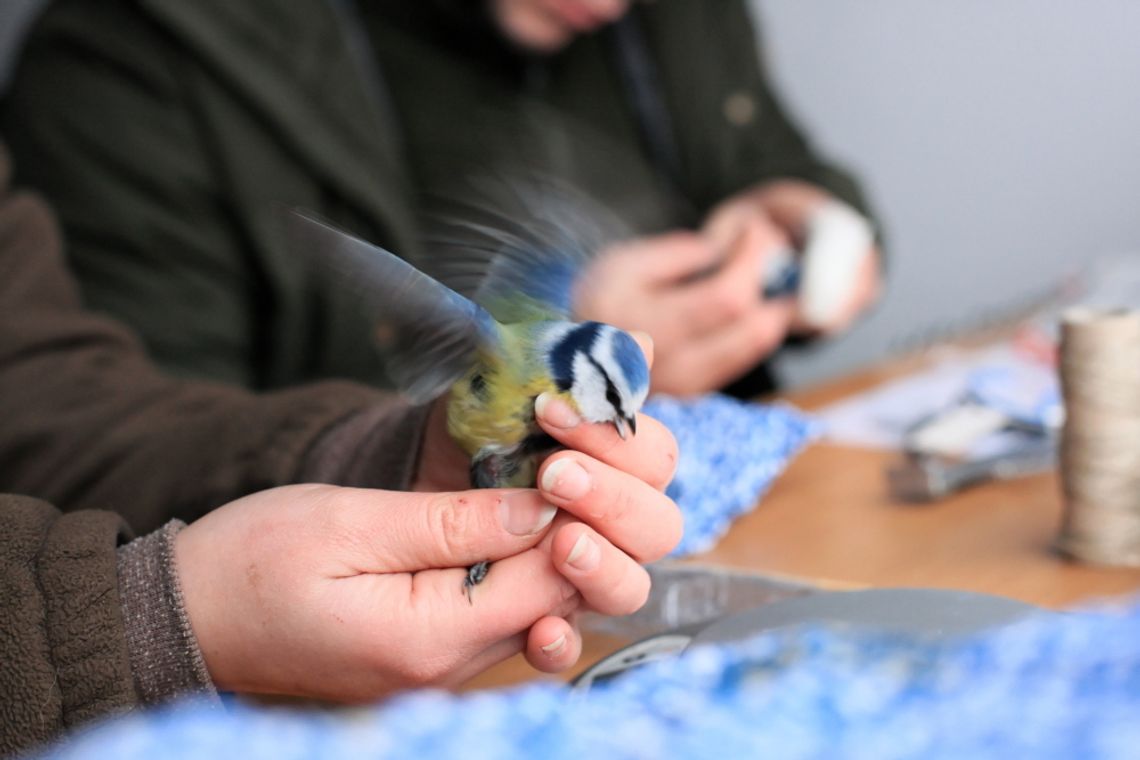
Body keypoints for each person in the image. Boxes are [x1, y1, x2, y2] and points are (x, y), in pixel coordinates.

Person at [0, 144, 683, 755]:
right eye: (612, 403)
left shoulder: (567, 358)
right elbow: (417, 296)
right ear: (579, 369)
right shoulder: (509, 350)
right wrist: (148, 614)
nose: (619, 421)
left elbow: (42, 397)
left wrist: (381, 460)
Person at [1, 0, 881, 399]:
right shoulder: (132, 66)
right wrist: (532, 365)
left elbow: (770, 159)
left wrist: (810, 219)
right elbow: (136, 476)